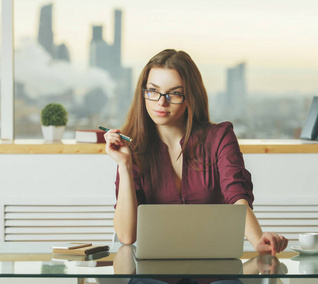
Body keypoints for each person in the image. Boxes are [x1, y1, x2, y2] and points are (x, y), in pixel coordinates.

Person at [104, 49, 288, 256]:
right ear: (143, 92)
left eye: (174, 93)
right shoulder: (132, 149)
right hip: (154, 270)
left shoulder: (219, 138)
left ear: (190, 97)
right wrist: (125, 165)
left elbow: (237, 198)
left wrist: (257, 240)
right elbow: (127, 236)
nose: (161, 102)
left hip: (214, 269)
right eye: (153, 91)